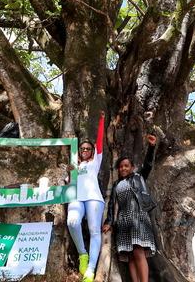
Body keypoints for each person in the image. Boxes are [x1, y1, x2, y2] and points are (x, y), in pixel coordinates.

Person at [102, 134, 158, 282]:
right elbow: (112, 206)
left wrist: (152, 148)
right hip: (123, 221)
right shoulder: (116, 185)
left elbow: (148, 165)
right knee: (131, 255)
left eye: (126, 166)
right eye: (121, 166)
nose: (123, 168)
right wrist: (109, 222)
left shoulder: (138, 177)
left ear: (132, 167)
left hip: (138, 218)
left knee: (139, 251)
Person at [67, 112, 106, 282]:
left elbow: (99, 141)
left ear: (92, 151)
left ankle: (90, 270)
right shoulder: (73, 166)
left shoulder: (95, 161)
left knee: (94, 231)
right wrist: (68, 174)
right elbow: (67, 185)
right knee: (72, 222)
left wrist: (102, 121)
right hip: (76, 198)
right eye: (82, 148)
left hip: (94, 198)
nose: (85, 150)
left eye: (88, 148)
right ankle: (83, 254)